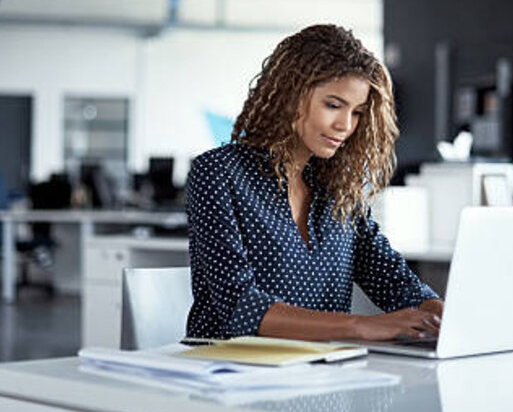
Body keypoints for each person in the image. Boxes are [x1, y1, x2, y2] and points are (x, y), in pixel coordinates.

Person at [186, 24, 444, 341]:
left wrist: (442, 313)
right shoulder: (218, 172)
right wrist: (361, 325)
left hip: (323, 376)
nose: (345, 126)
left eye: (358, 112)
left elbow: (390, 279)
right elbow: (240, 307)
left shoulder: (339, 188)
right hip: (231, 373)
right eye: (333, 105)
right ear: (290, 95)